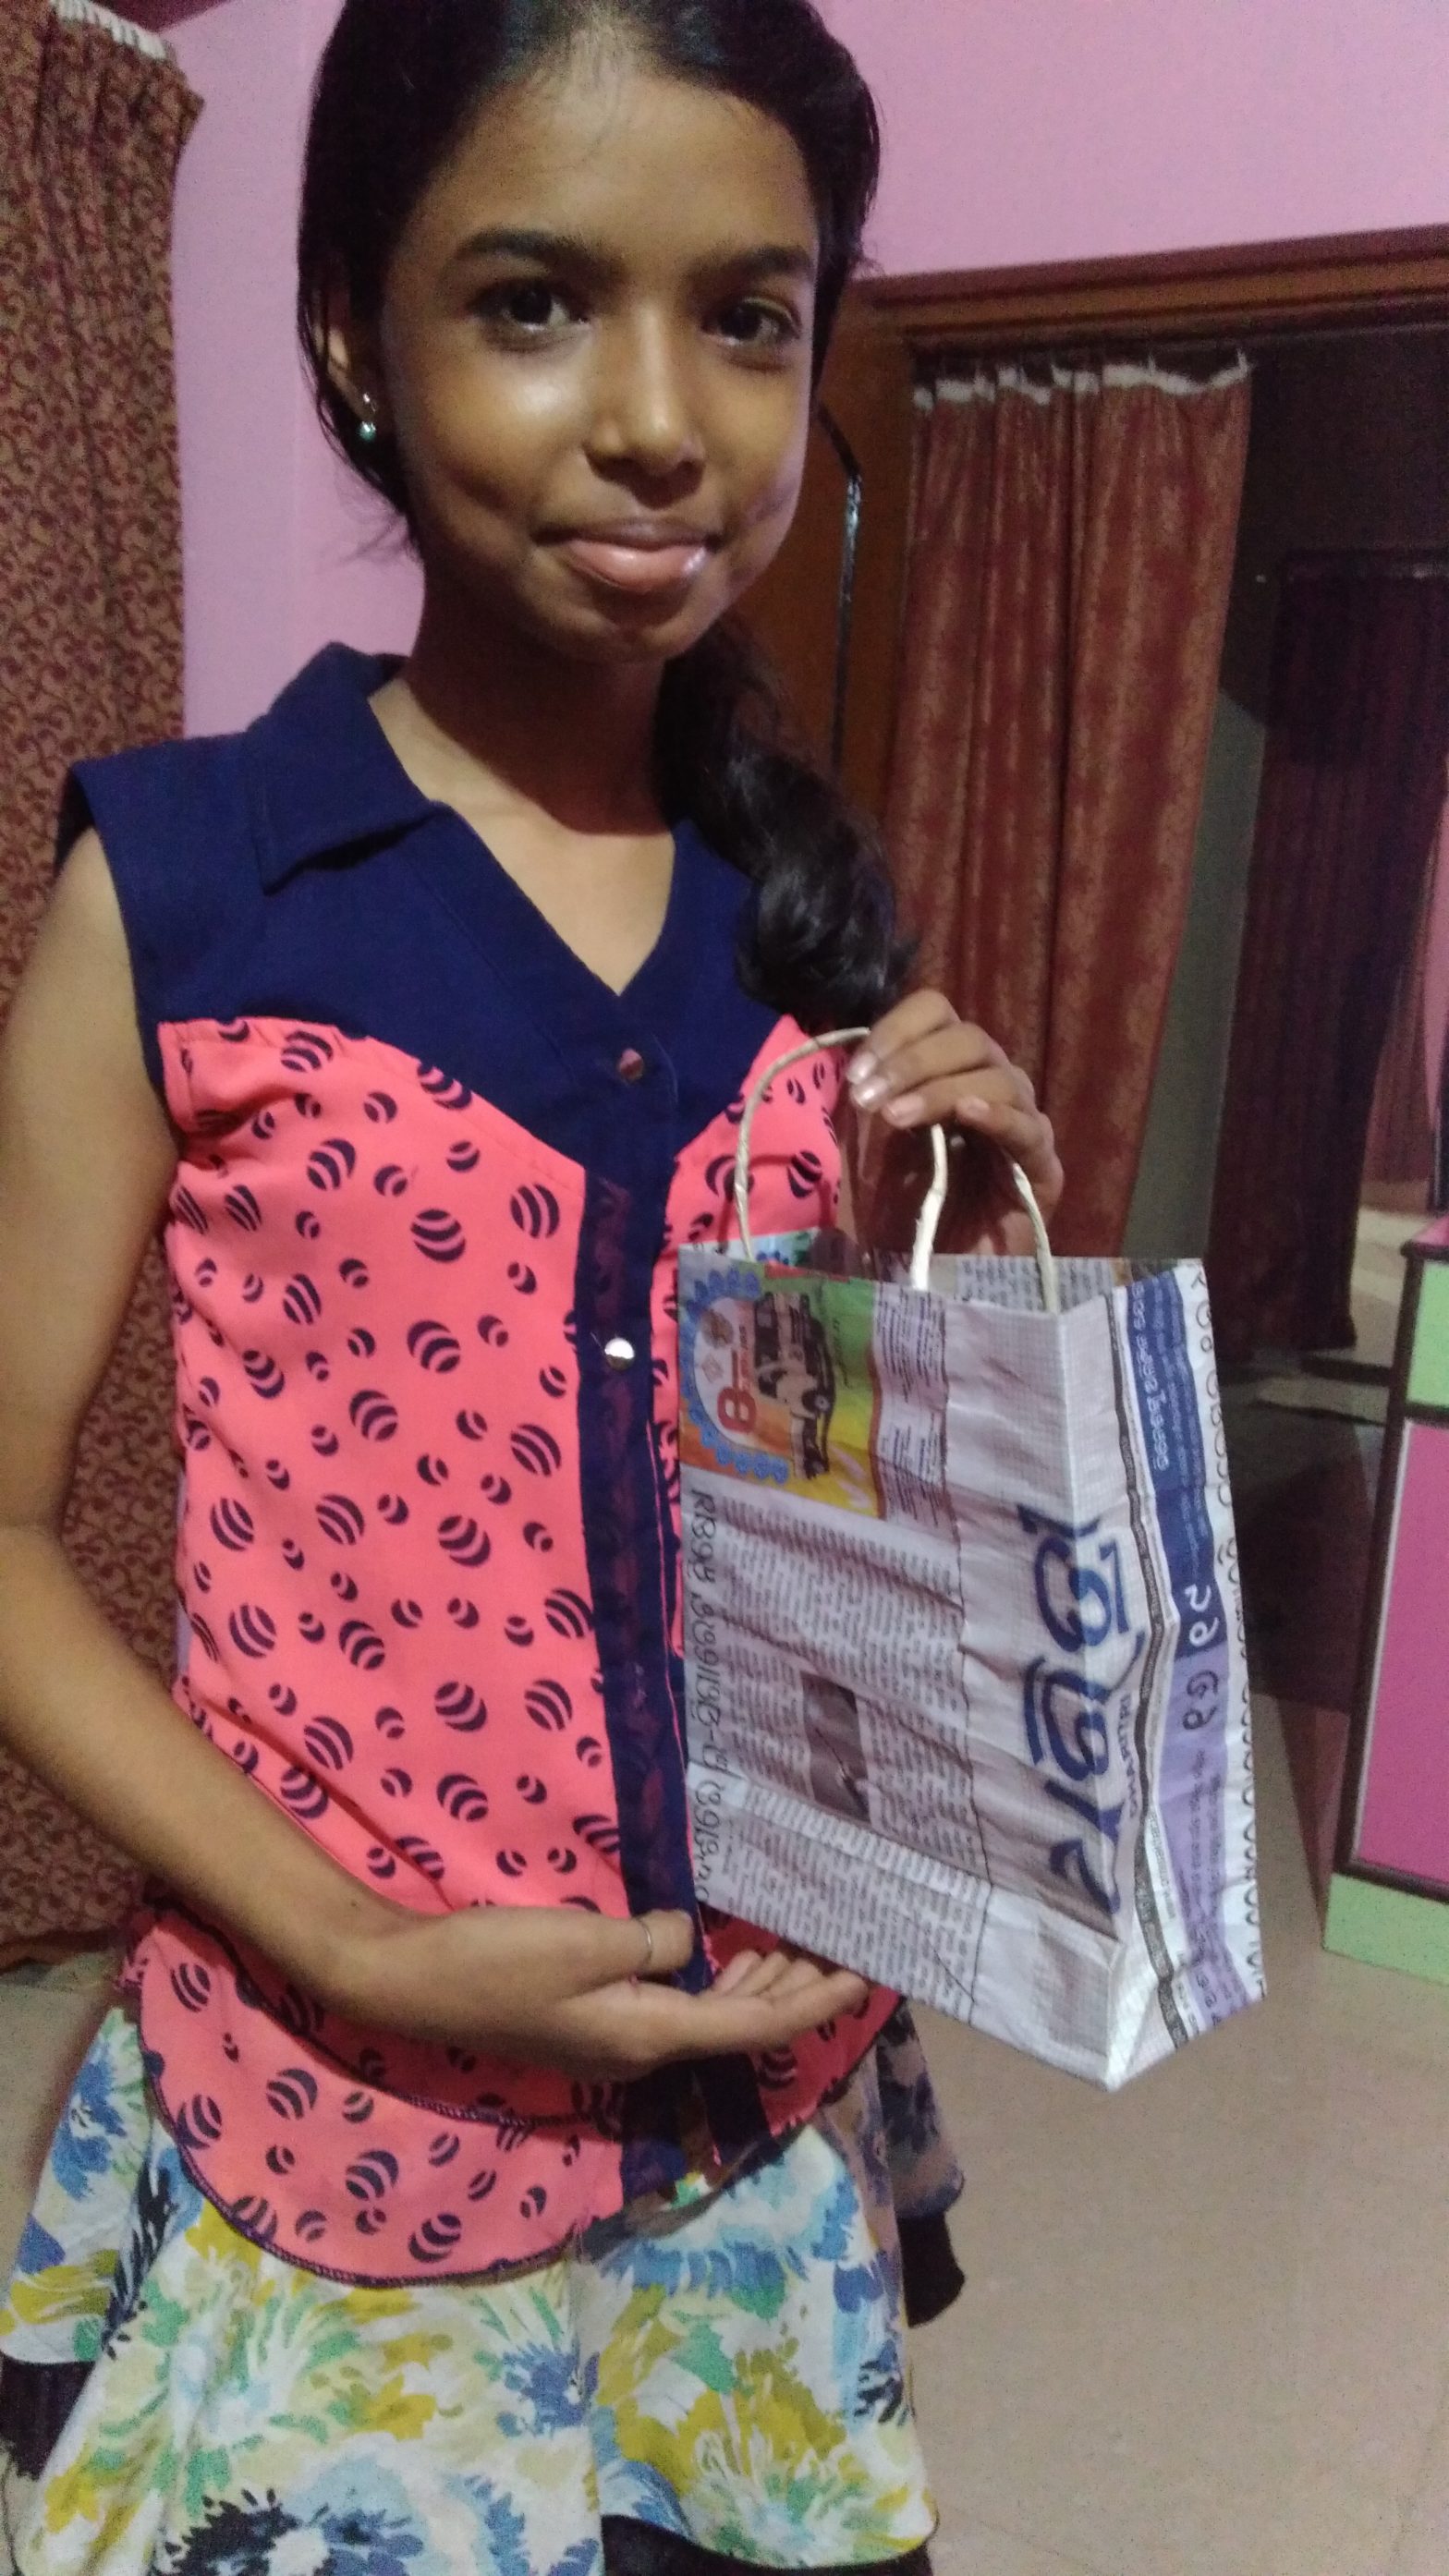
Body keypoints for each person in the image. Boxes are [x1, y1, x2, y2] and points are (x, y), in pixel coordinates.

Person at [0, 3, 1064, 2569]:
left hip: (759, 2110)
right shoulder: (193, 886)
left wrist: (946, 1251)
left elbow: (830, 1527)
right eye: (534, 302)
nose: (663, 421)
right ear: (353, 331)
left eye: (750, 317)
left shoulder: (803, 921)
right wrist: (360, 1940)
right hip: (338, 2125)